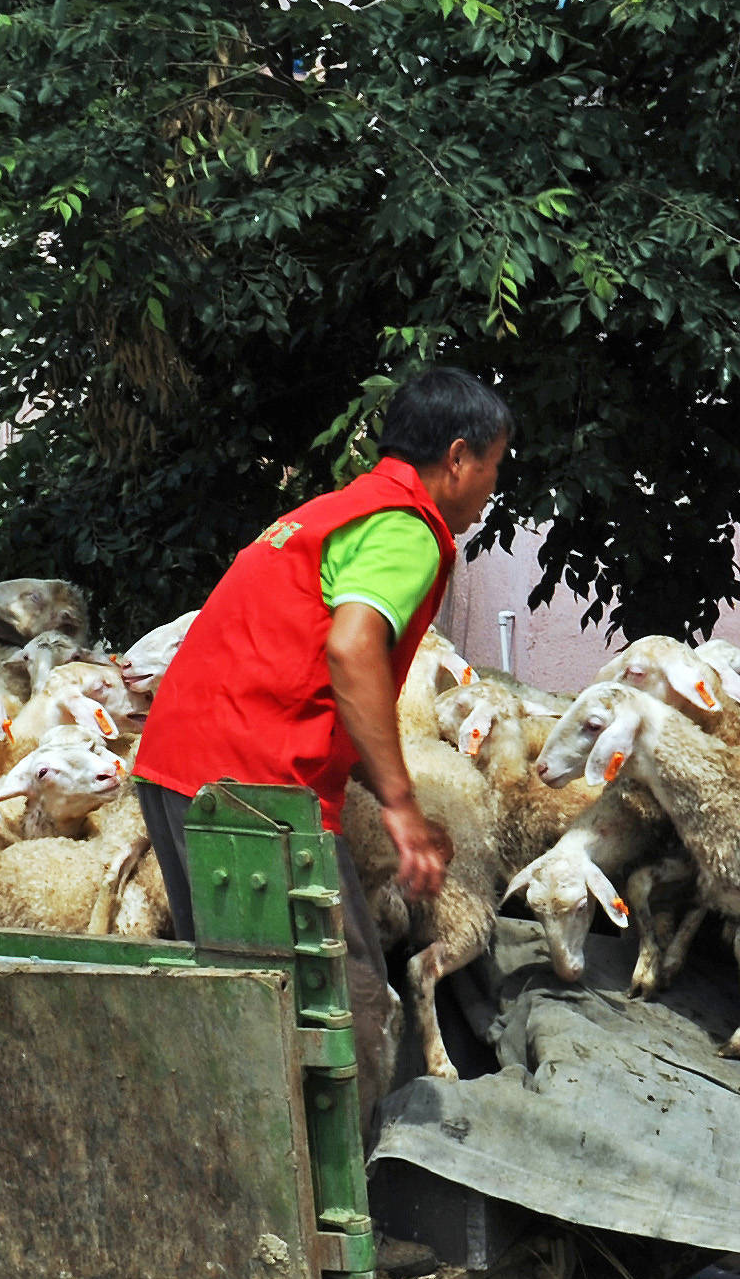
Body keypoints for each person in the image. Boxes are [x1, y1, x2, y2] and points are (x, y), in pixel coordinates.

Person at [133, 368, 511, 1115]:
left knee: (248, 1005)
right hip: (255, 792)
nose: (493, 486)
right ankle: (335, 1219)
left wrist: (377, 786)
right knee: (350, 1007)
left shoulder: (335, 512)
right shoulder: (407, 528)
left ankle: (259, 1198)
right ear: (460, 457)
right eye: (496, 465)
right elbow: (350, 650)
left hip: (180, 769)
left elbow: (300, 668)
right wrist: (401, 809)